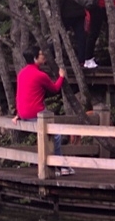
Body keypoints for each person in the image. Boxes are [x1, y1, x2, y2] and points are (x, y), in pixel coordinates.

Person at [15, 44, 72, 173]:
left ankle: (56, 164)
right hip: (35, 113)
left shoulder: (21, 73)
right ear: (35, 59)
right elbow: (55, 88)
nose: (43, 56)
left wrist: (18, 113)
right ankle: (60, 165)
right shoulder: (40, 75)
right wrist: (61, 76)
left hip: (23, 113)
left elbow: (20, 95)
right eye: (41, 55)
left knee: (48, 135)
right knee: (55, 135)